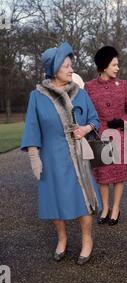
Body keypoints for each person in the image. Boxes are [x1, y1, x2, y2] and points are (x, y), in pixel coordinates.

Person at [21, 42, 102, 265]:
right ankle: (62, 238)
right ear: (53, 69)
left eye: (71, 65)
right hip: (51, 157)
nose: (70, 70)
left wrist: (86, 128)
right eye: (66, 66)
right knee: (54, 199)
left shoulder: (80, 94)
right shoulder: (37, 96)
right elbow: (32, 126)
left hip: (77, 156)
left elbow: (95, 120)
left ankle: (87, 240)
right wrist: (34, 157)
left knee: (84, 199)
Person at [85, 46, 127, 226]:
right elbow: (86, 112)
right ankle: (105, 208)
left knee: (119, 174)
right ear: (104, 66)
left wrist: (123, 121)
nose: (117, 68)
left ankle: (116, 208)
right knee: (103, 175)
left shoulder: (123, 85)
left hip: (120, 135)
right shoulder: (89, 87)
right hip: (99, 136)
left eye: (118, 64)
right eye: (114, 64)